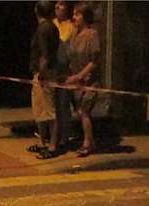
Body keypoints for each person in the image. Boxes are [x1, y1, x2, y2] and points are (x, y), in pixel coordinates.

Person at [65, 0, 100, 158]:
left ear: (85, 17)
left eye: (77, 14)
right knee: (80, 112)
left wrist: (80, 76)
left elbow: (94, 61)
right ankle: (89, 140)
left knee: (84, 111)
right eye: (73, 14)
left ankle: (88, 143)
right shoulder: (74, 33)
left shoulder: (92, 35)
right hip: (75, 79)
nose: (74, 17)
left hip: (88, 80)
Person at [27, 1, 60, 159]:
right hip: (48, 72)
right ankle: (42, 143)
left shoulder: (43, 29)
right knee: (41, 110)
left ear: (37, 11)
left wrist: (41, 72)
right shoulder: (52, 27)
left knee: (48, 110)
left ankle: (51, 146)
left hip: (44, 74)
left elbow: (44, 54)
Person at [53, 0, 75, 149]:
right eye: (56, 4)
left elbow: (71, 51)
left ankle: (64, 137)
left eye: (61, 4)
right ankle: (53, 135)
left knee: (63, 104)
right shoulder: (51, 23)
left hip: (65, 70)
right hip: (52, 70)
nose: (57, 7)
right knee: (52, 105)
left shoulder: (71, 27)